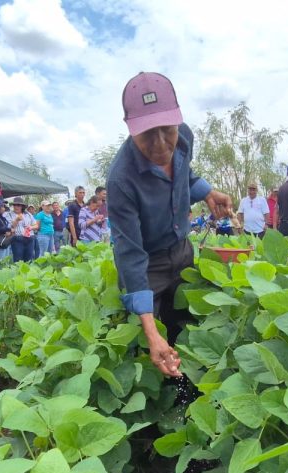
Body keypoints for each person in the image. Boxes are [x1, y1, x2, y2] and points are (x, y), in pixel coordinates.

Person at [107, 71, 232, 378]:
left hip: (181, 250)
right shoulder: (121, 180)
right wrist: (150, 331)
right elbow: (130, 254)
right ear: (130, 128)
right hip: (148, 264)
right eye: (148, 133)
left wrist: (208, 192)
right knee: (151, 342)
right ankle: (155, 411)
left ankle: (191, 394)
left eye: (167, 129)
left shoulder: (184, 136)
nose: (161, 143)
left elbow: (183, 174)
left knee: (185, 329)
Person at [7, 196, 36, 262]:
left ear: (22, 206)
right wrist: (16, 220)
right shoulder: (9, 214)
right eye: (15, 205)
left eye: (18, 205)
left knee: (29, 260)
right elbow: (9, 228)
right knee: (18, 261)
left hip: (30, 239)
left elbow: (36, 225)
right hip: (17, 239)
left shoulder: (28, 214)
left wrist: (31, 227)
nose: (16, 207)